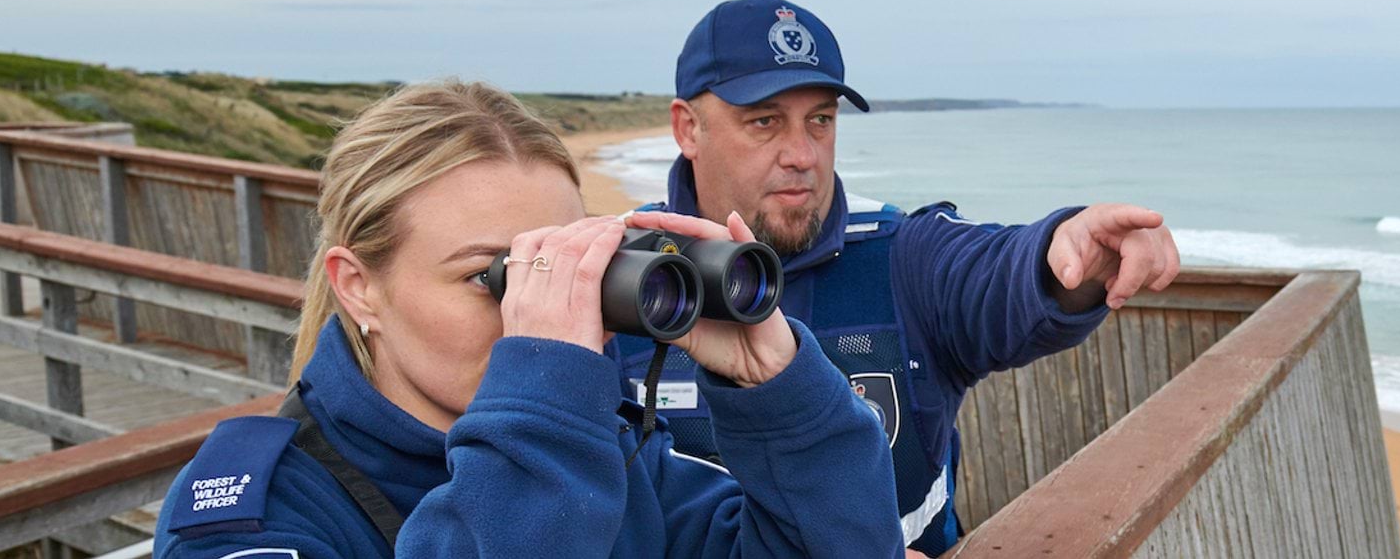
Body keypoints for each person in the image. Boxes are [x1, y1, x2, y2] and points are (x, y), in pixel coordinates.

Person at [152, 80, 904, 558]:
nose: (536, 313)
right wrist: (545, 409)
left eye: (565, 268)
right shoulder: (260, 518)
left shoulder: (611, 464)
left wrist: (784, 395)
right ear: (359, 289)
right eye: (494, 277)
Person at [613, 0, 1182, 556]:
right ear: (688, 129)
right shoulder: (620, 277)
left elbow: (997, 275)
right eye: (764, 121)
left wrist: (1067, 254)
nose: (803, 155)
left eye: (820, 121)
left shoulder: (901, 255)